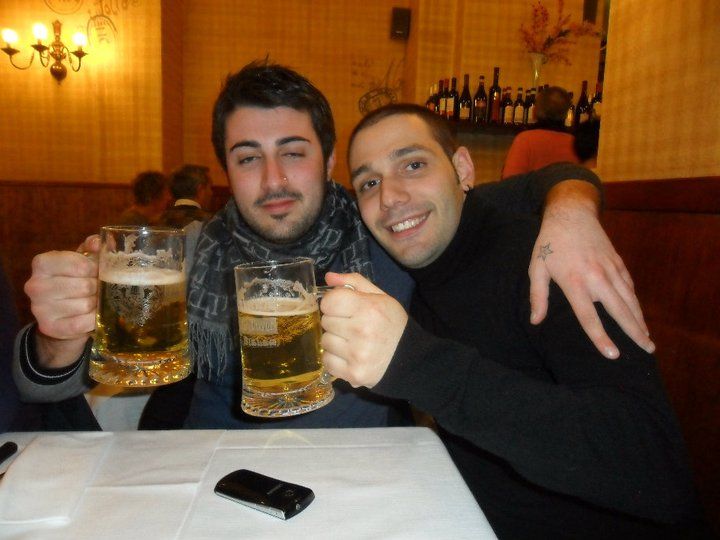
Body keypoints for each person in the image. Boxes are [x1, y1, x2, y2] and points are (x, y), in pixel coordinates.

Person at [12, 62, 652, 431]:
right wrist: (56, 340)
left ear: (327, 159)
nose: (273, 181)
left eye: (293, 153)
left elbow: (502, 192)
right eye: (248, 158)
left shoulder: (387, 231)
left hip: (356, 484)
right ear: (224, 171)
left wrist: (572, 203)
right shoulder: (183, 252)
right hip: (210, 475)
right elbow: (46, 387)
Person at [320, 103, 702, 538]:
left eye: (413, 164)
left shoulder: (545, 261)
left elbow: (657, 466)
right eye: (369, 183)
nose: (390, 197)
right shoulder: (413, 263)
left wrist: (417, 363)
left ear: (462, 169)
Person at [501, 86, 579, 179]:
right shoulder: (575, 144)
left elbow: (510, 181)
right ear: (567, 114)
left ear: (535, 111)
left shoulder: (526, 140)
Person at [159, 164, 215, 228]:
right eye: (210, 188)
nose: (211, 193)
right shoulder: (210, 223)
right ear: (200, 189)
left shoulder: (158, 220)